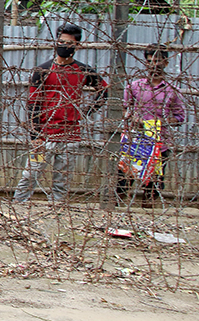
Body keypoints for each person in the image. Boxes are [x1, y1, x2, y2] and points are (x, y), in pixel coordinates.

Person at [13, 23, 108, 203]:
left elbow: (104, 91)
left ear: (77, 46)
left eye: (69, 43)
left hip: (70, 136)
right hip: (44, 135)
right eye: (61, 42)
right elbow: (33, 103)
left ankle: (57, 213)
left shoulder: (83, 70)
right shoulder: (42, 70)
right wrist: (35, 136)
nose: (64, 46)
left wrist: (85, 112)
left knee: (62, 181)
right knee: (30, 175)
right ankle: (17, 206)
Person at [116, 44, 185, 208]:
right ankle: (118, 213)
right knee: (123, 182)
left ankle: (148, 218)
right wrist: (133, 118)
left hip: (159, 146)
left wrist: (160, 123)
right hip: (134, 143)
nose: (154, 65)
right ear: (145, 63)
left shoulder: (171, 91)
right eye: (150, 61)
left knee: (153, 187)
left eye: (158, 61)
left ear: (166, 63)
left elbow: (180, 116)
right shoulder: (134, 87)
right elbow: (124, 110)